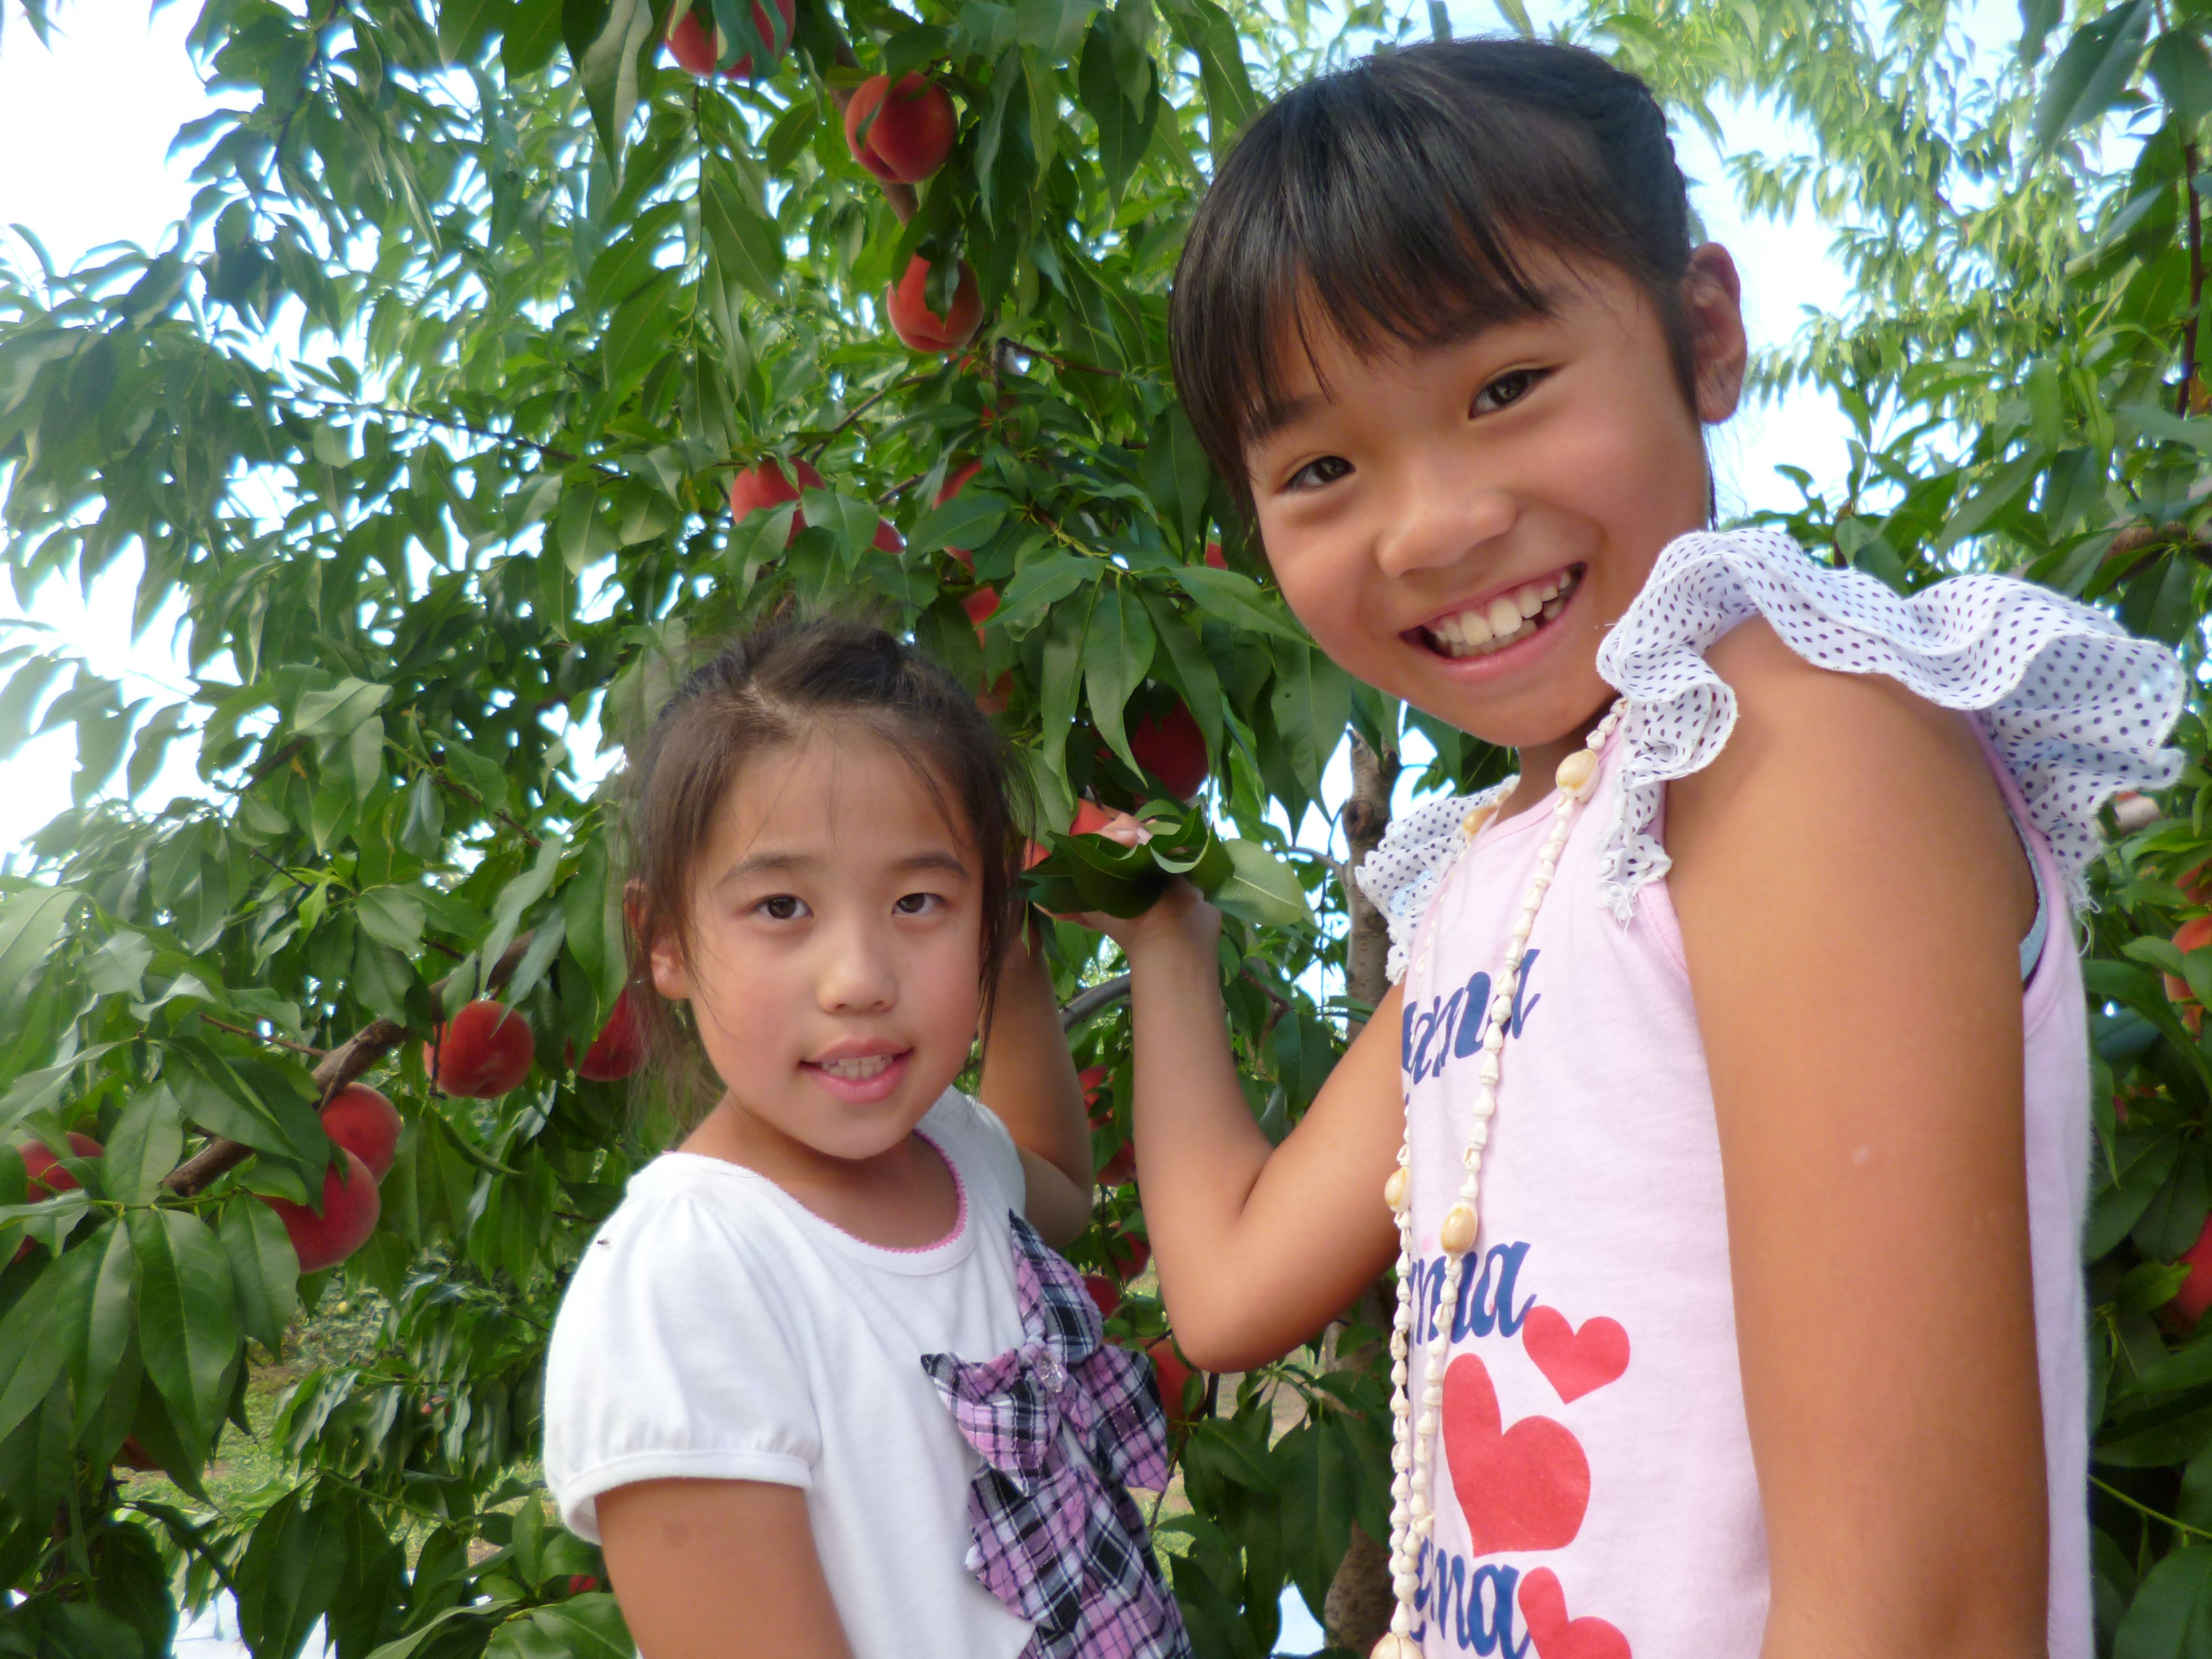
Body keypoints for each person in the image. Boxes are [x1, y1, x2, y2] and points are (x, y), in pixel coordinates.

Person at [1086, 37, 2184, 1659]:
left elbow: (1927, 1615)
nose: (1431, 523)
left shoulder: (1793, 750)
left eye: (1505, 388)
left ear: (1705, 335)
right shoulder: (1512, 864)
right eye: (1322, 467)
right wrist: (1160, 925)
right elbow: (1237, 1282)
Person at [542, 619, 1191, 1659]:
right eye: (783, 905)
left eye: (921, 901)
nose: (860, 978)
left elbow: (1060, 1182)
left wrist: (1015, 969)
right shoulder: (687, 1278)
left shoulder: (945, 1149)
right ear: (663, 938)